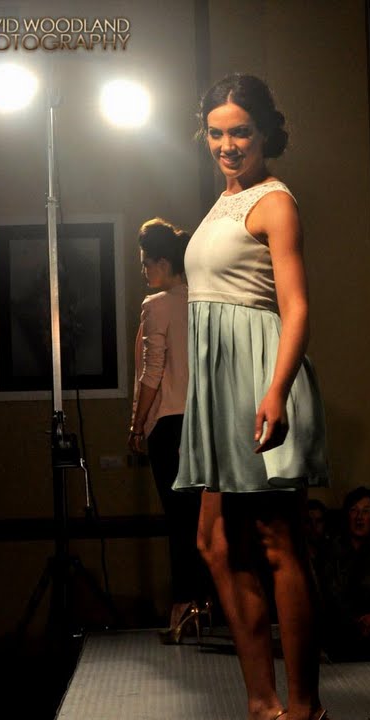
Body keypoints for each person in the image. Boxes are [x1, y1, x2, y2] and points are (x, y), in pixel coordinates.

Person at [172, 73, 338, 720]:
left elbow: (295, 307)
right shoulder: (223, 200)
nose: (227, 143)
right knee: (214, 543)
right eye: (216, 132)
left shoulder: (274, 201)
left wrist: (275, 389)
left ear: (266, 131)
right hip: (217, 388)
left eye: (240, 130)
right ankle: (262, 708)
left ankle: (305, 714)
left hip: (258, 382)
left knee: (276, 543)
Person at [128, 217, 212, 643]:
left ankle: (182, 608)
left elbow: (152, 372)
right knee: (204, 520)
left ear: (162, 262)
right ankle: (205, 605)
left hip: (170, 423)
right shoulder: (203, 300)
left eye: (146, 263)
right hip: (204, 424)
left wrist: (136, 423)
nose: (143, 271)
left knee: (178, 521)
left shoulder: (156, 305)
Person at [318, 486, 370, 660]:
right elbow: (329, 594)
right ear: (347, 515)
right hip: (340, 636)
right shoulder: (330, 550)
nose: (360, 517)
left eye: (366, 511)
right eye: (354, 510)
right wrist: (356, 622)